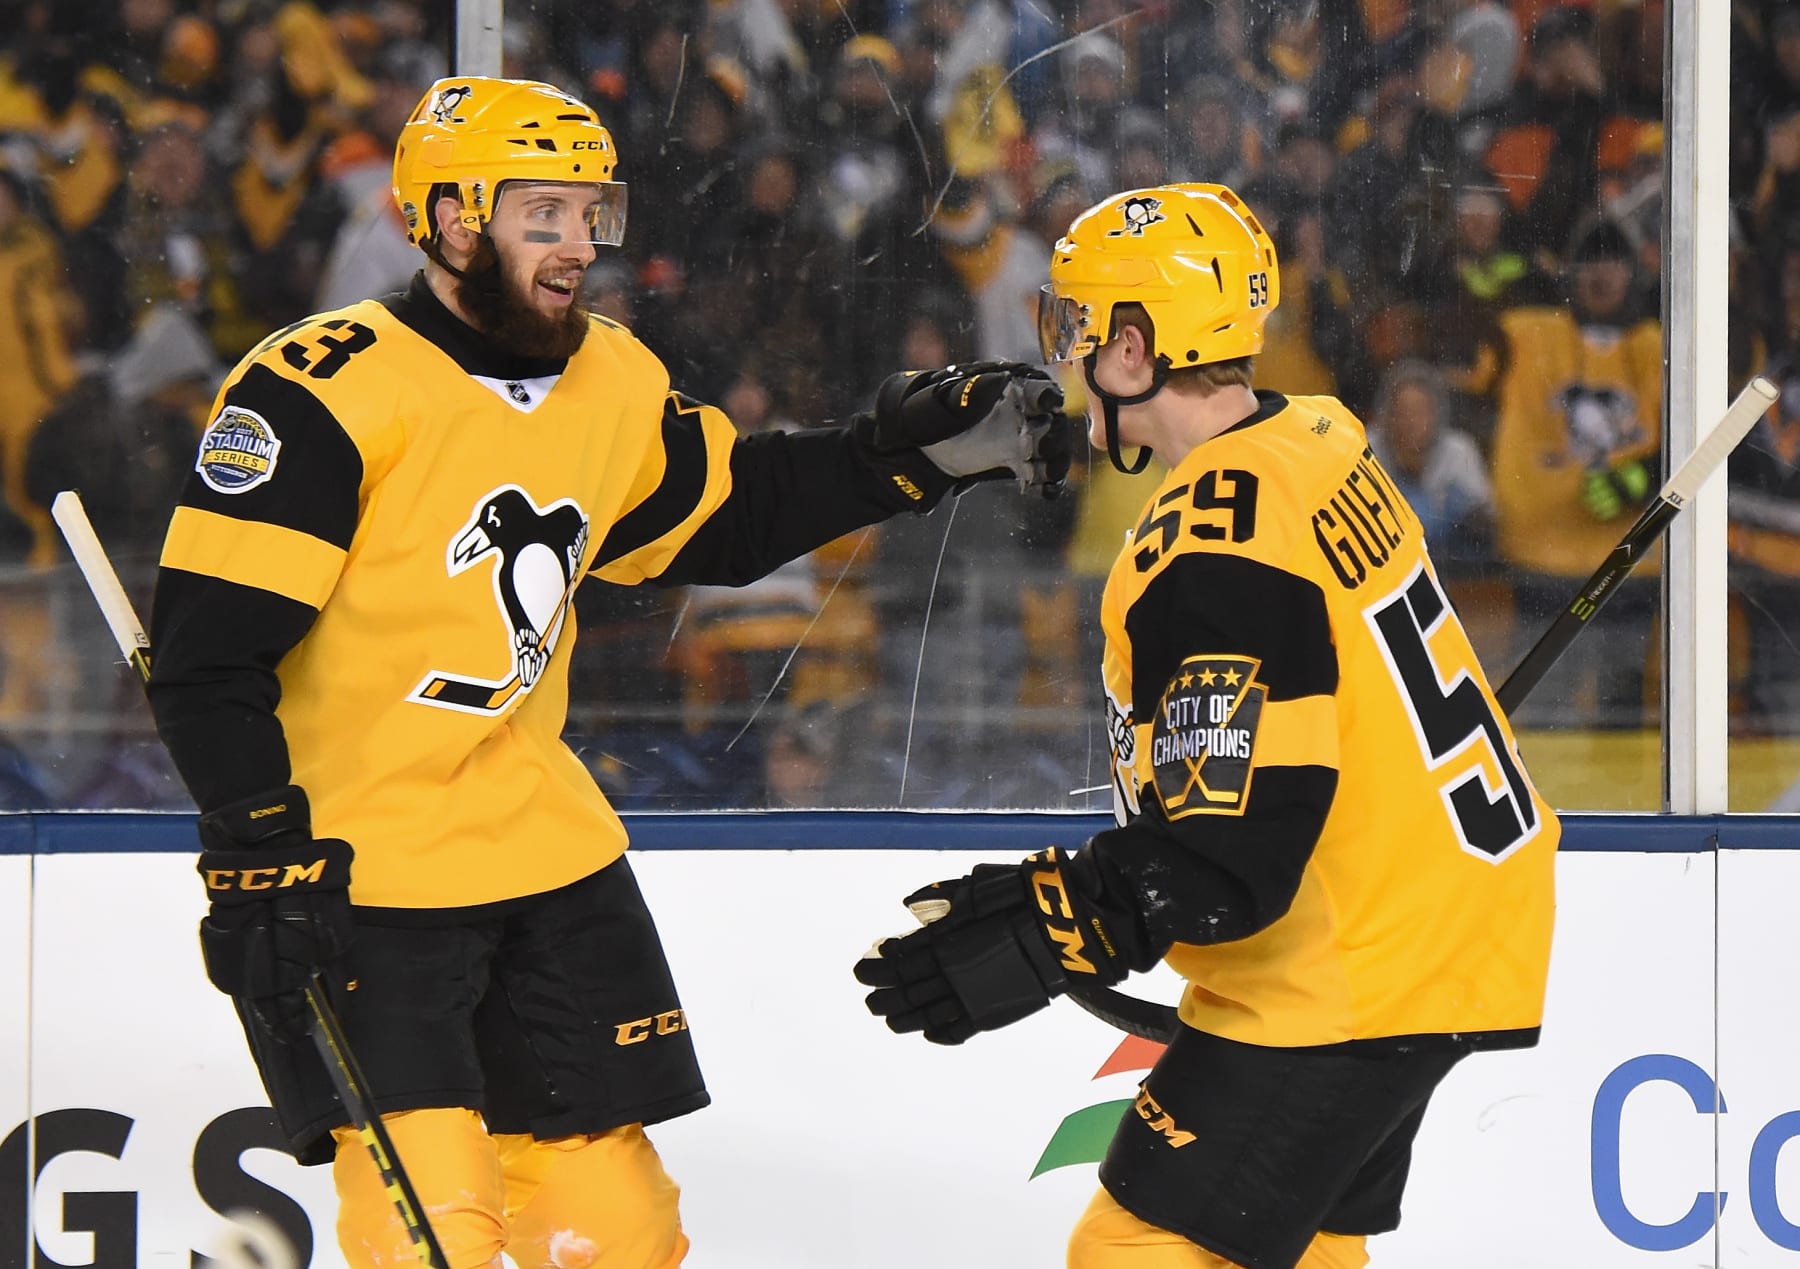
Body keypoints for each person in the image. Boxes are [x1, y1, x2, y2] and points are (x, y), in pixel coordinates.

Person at [144, 76, 1067, 1269]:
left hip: (543, 854)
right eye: (548, 214)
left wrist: (901, 461)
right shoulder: (319, 389)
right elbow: (210, 658)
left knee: (619, 1234)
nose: (584, 245)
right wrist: (262, 850)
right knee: (433, 1230)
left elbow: (723, 516)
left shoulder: (610, 376)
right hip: (365, 873)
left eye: (594, 212)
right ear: (456, 218)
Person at [855, 184, 1560, 1269]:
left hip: (1348, 968)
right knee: (1303, 1245)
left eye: (1080, 326)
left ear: (1134, 349)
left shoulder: (1213, 545)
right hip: (1434, 924)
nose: (1068, 350)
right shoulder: (1318, 435)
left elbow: (1229, 859)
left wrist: (1055, 922)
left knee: (1136, 1248)